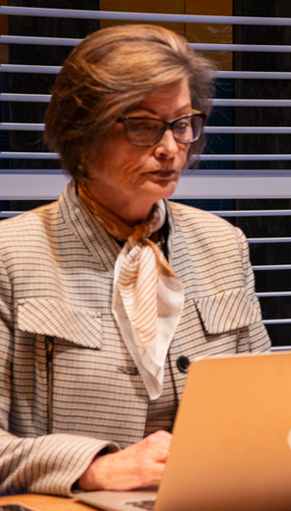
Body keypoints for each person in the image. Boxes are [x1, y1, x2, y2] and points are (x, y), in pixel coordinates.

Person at [0, 25, 271, 496]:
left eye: (182, 123)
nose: (170, 148)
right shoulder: (12, 256)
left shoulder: (223, 244)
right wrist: (95, 468)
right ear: (82, 132)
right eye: (143, 125)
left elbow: (271, 407)